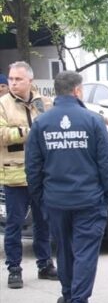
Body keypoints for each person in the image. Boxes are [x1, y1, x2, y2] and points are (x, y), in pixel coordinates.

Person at [26, 71, 108, 303]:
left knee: (64, 248)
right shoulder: (92, 120)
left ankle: (68, 296)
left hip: (55, 199)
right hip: (88, 198)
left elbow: (32, 167)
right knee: (85, 250)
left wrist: (41, 197)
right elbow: (106, 163)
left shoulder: (42, 123)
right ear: (77, 91)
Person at [0, 61, 58, 288]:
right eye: (11, 79)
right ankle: (14, 269)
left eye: (18, 79)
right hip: (14, 175)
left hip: (42, 174)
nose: (13, 83)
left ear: (29, 81)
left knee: (43, 222)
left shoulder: (43, 103)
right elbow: (2, 135)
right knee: (14, 224)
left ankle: (45, 264)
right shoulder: (3, 105)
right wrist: (31, 131)